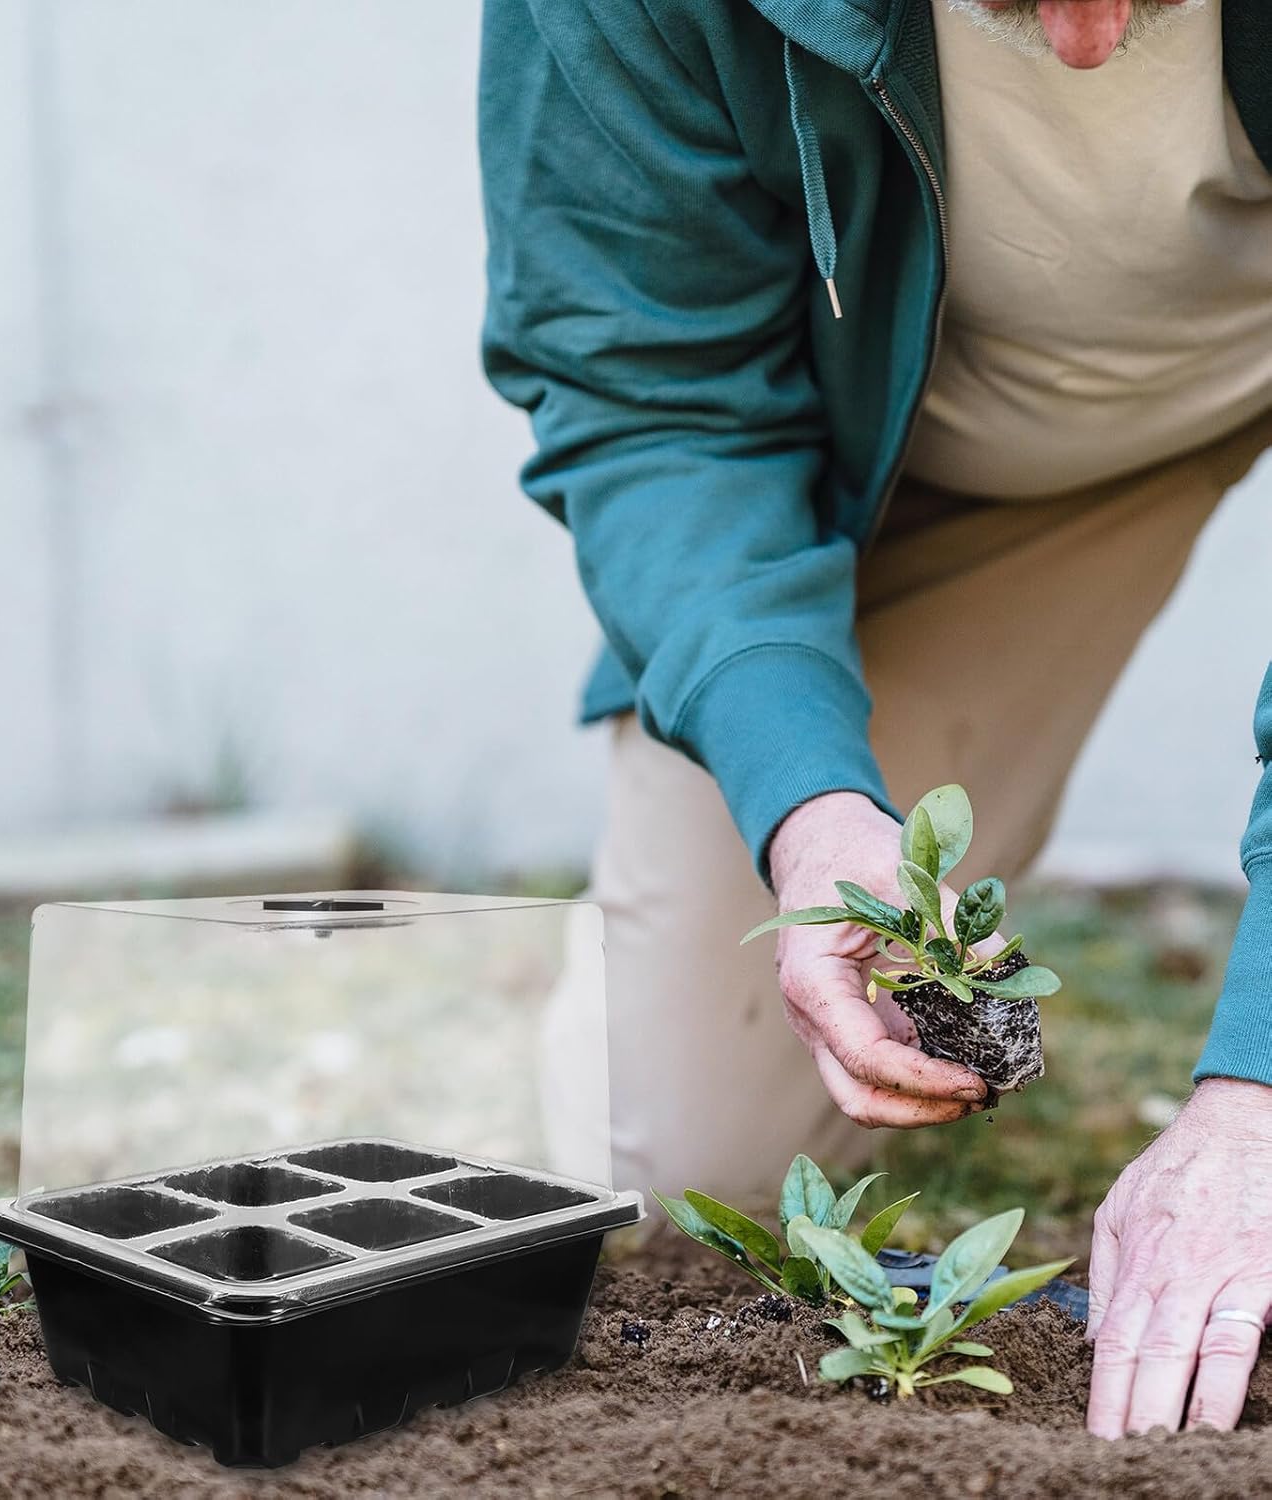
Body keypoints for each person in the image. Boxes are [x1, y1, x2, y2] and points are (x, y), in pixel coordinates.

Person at [479, 0, 1272, 1442]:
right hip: (971, 451)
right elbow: (651, 395)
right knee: (683, 1168)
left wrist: (1258, 1093)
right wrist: (809, 804)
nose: (1090, 46)